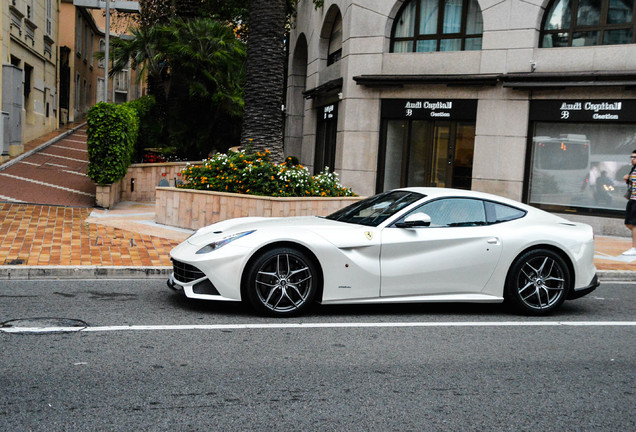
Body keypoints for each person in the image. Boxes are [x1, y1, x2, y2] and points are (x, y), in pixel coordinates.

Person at [622, 150, 636, 255]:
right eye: (632, 157)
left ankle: (634, 248)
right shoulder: (633, 169)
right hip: (632, 198)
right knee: (628, 223)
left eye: (634, 157)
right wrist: (627, 179)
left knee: (634, 224)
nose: (632, 159)